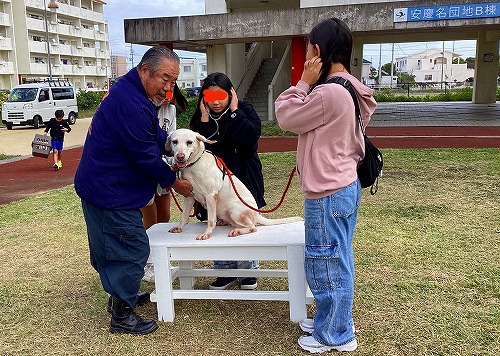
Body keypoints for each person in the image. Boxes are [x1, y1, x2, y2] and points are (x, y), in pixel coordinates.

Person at [74, 46, 193, 335]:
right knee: (130, 247)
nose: (167, 88)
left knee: (117, 246)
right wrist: (177, 183)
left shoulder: (134, 92)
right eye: (164, 79)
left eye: (173, 82)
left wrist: (174, 142)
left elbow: (156, 136)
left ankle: (120, 298)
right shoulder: (131, 104)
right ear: (144, 70)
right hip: (110, 191)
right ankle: (121, 316)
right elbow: (146, 158)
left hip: (107, 186)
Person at [275, 18, 377, 353]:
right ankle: (334, 321)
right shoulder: (350, 86)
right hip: (343, 184)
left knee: (326, 261)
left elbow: (286, 115)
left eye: (309, 49)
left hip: (328, 191)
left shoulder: (328, 92)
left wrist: (302, 82)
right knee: (338, 257)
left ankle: (335, 334)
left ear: (318, 51)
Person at [190, 72, 266, 291]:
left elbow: (249, 139)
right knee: (218, 223)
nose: (215, 101)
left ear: (231, 93)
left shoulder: (245, 110)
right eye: (209, 95)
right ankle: (224, 270)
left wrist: (234, 113)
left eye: (221, 95)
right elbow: (199, 153)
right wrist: (204, 122)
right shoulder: (201, 117)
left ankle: (248, 271)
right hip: (214, 183)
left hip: (245, 175)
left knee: (243, 220)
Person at [141, 83, 188, 283]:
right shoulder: (144, 108)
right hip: (147, 169)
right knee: (150, 220)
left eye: (171, 92)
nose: (167, 96)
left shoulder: (171, 109)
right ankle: (148, 264)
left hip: (165, 166)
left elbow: (172, 138)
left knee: (165, 217)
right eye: (164, 92)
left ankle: (162, 259)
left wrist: (173, 162)